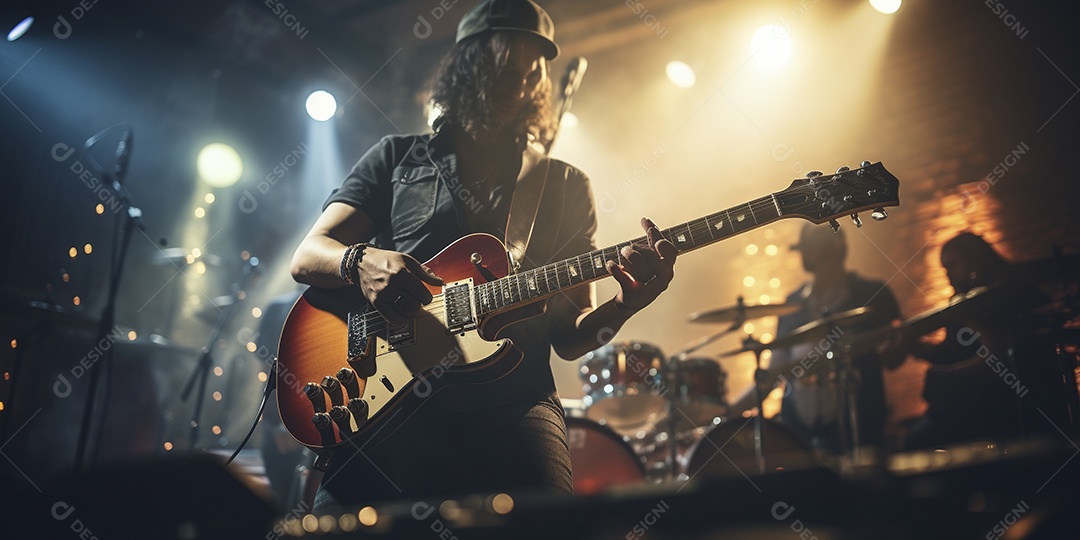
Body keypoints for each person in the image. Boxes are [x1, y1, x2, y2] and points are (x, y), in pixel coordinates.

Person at [289, 0, 677, 512]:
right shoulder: (397, 157)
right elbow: (308, 255)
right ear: (467, 66)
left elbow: (570, 336)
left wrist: (626, 303)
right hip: (390, 393)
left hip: (513, 402)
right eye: (507, 66)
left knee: (550, 525)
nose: (522, 83)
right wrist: (359, 261)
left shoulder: (563, 184)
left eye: (533, 72)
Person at [902, 232, 1061, 449]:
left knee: (917, 440)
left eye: (952, 265)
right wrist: (915, 346)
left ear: (975, 261)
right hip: (981, 395)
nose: (948, 275)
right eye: (945, 269)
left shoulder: (1003, 297)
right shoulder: (961, 303)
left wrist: (950, 377)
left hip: (1008, 399)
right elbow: (952, 351)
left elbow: (998, 358)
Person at [770, 223, 901, 455]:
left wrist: (892, 347)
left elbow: (896, 357)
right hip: (799, 432)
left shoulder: (872, 294)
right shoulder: (791, 305)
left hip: (860, 427)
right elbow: (774, 372)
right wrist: (731, 411)